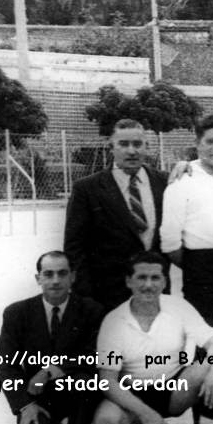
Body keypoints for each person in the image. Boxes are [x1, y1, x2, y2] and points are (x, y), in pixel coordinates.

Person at [92, 251, 213, 424]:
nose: (149, 285)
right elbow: (107, 381)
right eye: (141, 278)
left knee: (211, 365)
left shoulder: (178, 306)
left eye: (155, 278)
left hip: (174, 389)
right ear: (129, 281)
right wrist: (146, 414)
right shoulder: (114, 321)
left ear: (165, 281)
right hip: (133, 392)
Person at [0, 251, 105, 424]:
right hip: (38, 395)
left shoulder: (91, 310)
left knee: (87, 384)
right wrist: (25, 406)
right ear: (38, 279)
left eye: (62, 273)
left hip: (75, 386)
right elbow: (6, 365)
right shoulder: (17, 313)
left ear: (72, 277)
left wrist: (49, 371)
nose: (56, 280)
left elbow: (93, 355)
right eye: (49, 274)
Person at [64, 119, 167, 311]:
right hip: (107, 295)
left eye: (137, 144)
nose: (131, 151)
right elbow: (74, 247)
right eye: (123, 144)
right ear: (111, 147)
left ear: (147, 146)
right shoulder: (87, 188)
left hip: (156, 292)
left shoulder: (165, 183)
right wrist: (86, 297)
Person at [160, 114, 213, 325]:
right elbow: (170, 240)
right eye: (210, 141)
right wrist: (196, 266)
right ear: (197, 143)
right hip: (200, 270)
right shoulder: (182, 180)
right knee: (205, 334)